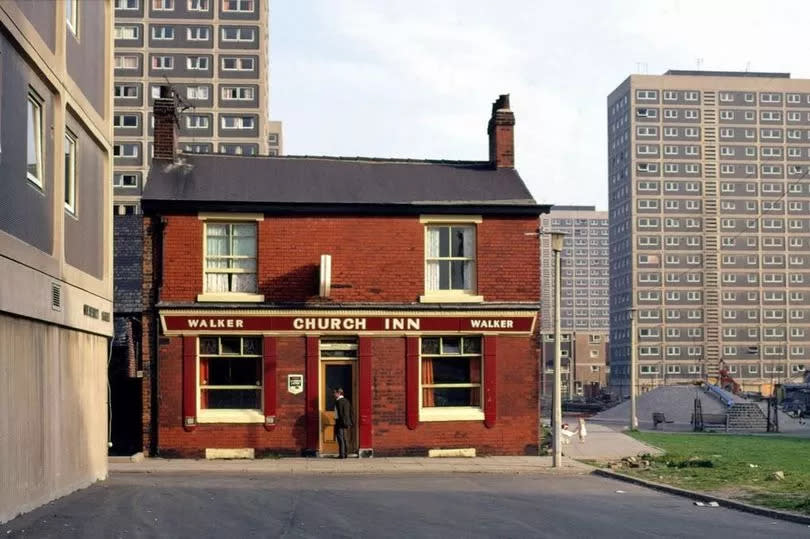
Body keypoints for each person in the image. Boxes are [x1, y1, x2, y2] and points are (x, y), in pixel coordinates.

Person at [333, 388, 353, 458]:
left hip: (340, 422)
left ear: (338, 393)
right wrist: (350, 421)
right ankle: (345, 454)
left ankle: (342, 454)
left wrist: (338, 422)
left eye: (335, 393)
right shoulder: (346, 401)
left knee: (340, 438)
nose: (334, 394)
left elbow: (340, 414)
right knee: (345, 438)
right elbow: (351, 412)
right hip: (346, 422)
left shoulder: (338, 402)